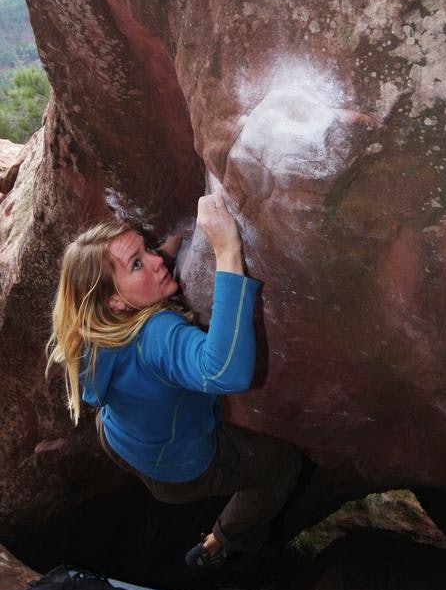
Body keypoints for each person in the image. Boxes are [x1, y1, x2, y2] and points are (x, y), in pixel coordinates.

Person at [46, 191, 303, 567]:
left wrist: (161, 255)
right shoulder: (155, 333)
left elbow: (132, 283)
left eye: (147, 249)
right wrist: (227, 250)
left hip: (118, 440)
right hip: (181, 470)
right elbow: (223, 371)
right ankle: (222, 542)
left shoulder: (87, 327)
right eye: (137, 264)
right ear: (116, 303)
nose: (155, 261)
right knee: (283, 467)